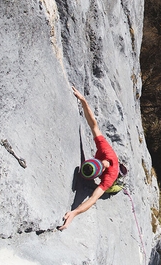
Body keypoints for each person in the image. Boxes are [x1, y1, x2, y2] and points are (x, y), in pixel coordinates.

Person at [59, 86, 119, 230]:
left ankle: (118, 186)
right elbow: (93, 125)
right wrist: (83, 100)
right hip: (109, 163)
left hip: (114, 178)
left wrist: (75, 212)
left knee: (113, 188)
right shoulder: (104, 149)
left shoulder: (109, 177)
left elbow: (93, 199)